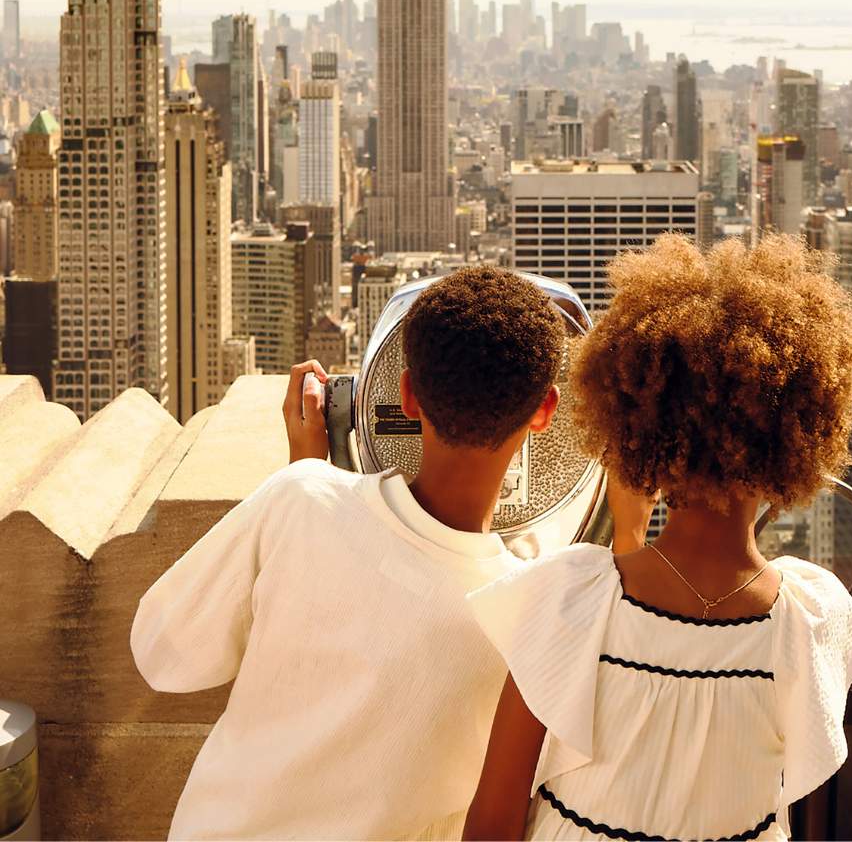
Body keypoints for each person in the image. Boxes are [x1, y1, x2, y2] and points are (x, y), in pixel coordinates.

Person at [131, 265, 648, 842]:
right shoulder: (534, 616)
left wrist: (307, 475)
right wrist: (626, 535)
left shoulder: (298, 499)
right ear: (547, 411)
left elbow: (162, 655)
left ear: (403, 394)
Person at [463, 234, 852, 842]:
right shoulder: (810, 624)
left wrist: (629, 530)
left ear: (639, 425)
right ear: (800, 431)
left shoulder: (569, 600)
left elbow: (493, 820)